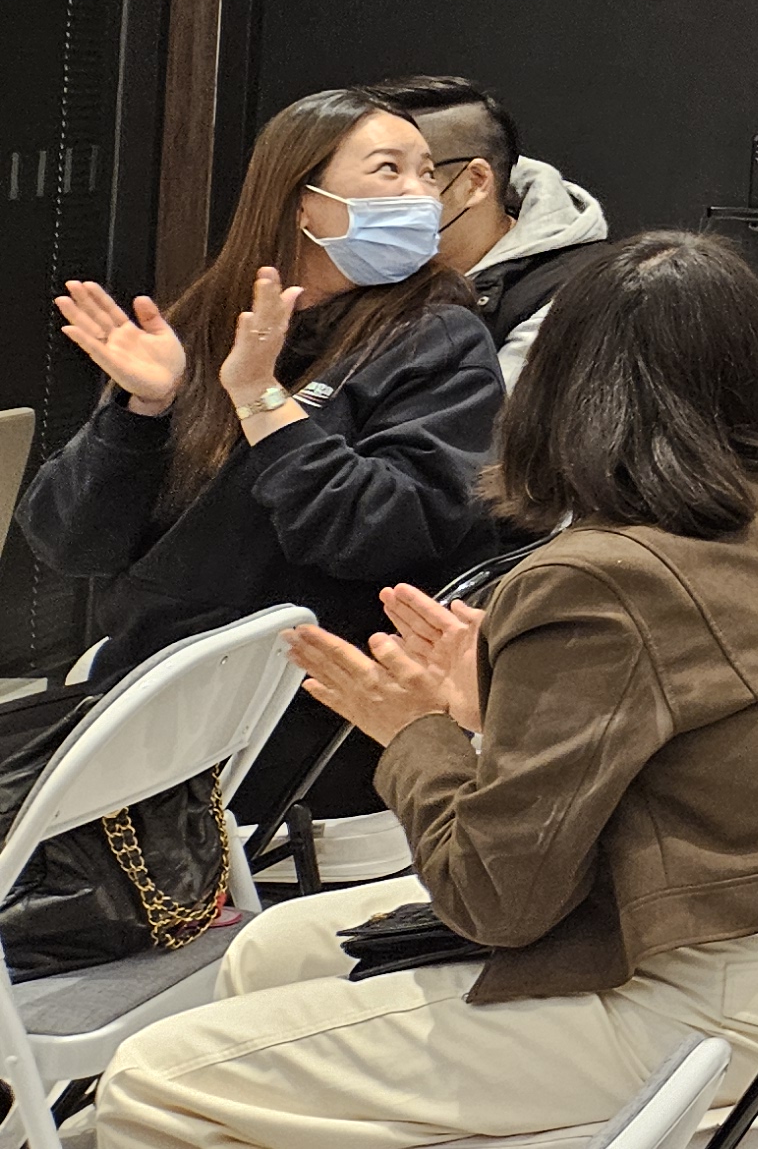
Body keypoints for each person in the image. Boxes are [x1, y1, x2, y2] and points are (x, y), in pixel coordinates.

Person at [93, 232, 758, 1149]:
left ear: (563, 384)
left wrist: (415, 732)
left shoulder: (600, 578)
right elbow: (706, 719)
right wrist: (507, 696)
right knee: (269, 952)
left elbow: (494, 899)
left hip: (682, 984)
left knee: (152, 1083)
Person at [39, 87, 504, 821]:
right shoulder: (203, 322)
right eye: (389, 170)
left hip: (303, 724)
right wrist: (141, 412)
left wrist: (263, 402)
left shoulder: (439, 338)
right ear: (303, 202)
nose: (420, 195)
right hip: (148, 699)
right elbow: (71, 541)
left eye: (426, 173)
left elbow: (382, 532)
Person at [367, 75, 609, 389]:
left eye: (395, 170)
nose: (367, 198)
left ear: (475, 182)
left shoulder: (573, 297)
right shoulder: (354, 263)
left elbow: (484, 418)